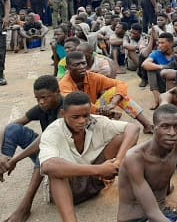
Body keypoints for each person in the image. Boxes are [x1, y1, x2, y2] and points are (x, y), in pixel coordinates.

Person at [39, 91, 140, 222]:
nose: (82, 121)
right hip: (70, 189)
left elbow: (134, 129)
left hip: (95, 181)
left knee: (121, 138)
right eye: (75, 117)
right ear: (63, 114)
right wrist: (99, 169)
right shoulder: (53, 131)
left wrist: (118, 162)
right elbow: (48, 167)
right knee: (56, 172)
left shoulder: (96, 121)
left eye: (85, 115)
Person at [117, 104, 177, 222]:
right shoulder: (135, 158)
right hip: (136, 218)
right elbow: (152, 213)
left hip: (162, 212)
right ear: (154, 128)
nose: (172, 132)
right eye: (165, 126)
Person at [0, 75, 63, 222]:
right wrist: (1, 155)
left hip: (65, 158)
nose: (41, 102)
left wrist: (15, 159)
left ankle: (25, 207)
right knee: (14, 129)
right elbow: (8, 128)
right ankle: (2, 167)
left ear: (57, 92)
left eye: (44, 97)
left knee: (45, 151)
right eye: (37, 99)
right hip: (48, 151)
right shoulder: (43, 106)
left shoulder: (65, 109)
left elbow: (46, 139)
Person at [60, 51, 153, 134]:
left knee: (117, 93)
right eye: (76, 65)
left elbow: (121, 84)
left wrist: (113, 103)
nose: (81, 67)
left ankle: (147, 125)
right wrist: (104, 112)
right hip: (77, 117)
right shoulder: (64, 84)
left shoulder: (92, 76)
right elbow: (76, 104)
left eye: (83, 63)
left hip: (95, 112)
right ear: (68, 67)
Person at [142, 32, 175, 109]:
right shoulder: (156, 53)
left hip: (175, 84)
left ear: (170, 43)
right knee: (151, 69)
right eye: (159, 43)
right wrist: (163, 67)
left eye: (162, 43)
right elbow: (144, 64)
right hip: (162, 83)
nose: (159, 45)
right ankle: (157, 99)